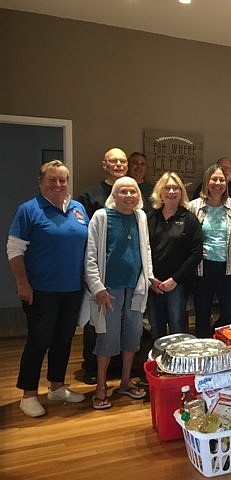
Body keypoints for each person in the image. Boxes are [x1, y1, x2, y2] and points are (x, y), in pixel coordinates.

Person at [7, 160, 88, 417]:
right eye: (52, 180)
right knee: (38, 341)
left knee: (64, 339)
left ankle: (56, 386)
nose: (58, 184)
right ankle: (28, 394)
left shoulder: (78, 209)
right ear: (41, 182)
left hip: (72, 289)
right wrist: (22, 283)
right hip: (41, 290)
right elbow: (14, 250)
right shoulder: (29, 210)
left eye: (62, 179)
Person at [84, 177, 154, 410]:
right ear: (114, 195)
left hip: (136, 288)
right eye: (123, 191)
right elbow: (91, 255)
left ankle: (125, 381)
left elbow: (146, 249)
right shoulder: (101, 217)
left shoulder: (140, 217)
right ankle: (101, 386)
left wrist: (149, 278)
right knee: (108, 337)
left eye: (133, 192)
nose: (129, 196)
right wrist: (97, 288)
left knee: (133, 335)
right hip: (109, 290)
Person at [77, 147, 129, 385]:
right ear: (104, 165)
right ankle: (90, 366)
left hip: (125, 276)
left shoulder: (132, 194)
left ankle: (117, 367)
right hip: (100, 273)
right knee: (95, 323)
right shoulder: (91, 195)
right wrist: (92, 278)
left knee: (120, 323)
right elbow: (85, 238)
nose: (118, 165)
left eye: (122, 161)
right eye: (113, 161)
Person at [188, 165, 231, 337]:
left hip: (228, 267)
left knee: (228, 314)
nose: (218, 183)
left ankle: (222, 348)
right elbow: (189, 240)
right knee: (202, 313)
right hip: (203, 267)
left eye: (222, 179)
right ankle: (203, 350)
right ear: (206, 181)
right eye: (214, 179)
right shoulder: (193, 206)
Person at [147, 172, 203, 343]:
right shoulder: (150, 217)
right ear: (160, 192)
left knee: (177, 327)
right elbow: (144, 248)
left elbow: (196, 253)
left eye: (175, 188)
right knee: (156, 327)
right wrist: (151, 278)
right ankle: (157, 366)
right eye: (167, 188)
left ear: (181, 192)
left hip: (177, 285)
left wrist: (174, 280)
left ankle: (177, 368)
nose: (171, 191)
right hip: (153, 283)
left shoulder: (189, 219)